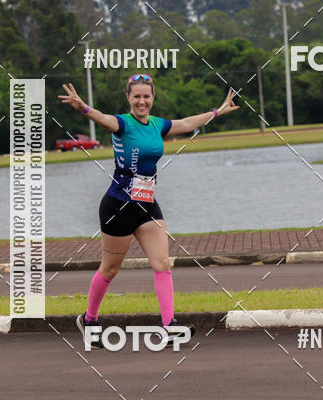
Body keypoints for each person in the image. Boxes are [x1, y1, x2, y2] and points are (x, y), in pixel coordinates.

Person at [58, 74, 239, 347]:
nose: (142, 101)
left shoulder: (157, 125)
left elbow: (186, 123)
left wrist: (217, 112)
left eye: (146, 96)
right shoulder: (122, 123)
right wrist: (83, 107)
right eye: (137, 96)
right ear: (128, 98)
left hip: (146, 204)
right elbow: (102, 118)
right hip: (118, 206)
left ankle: (169, 326)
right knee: (109, 269)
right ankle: (89, 319)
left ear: (152, 98)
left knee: (162, 264)